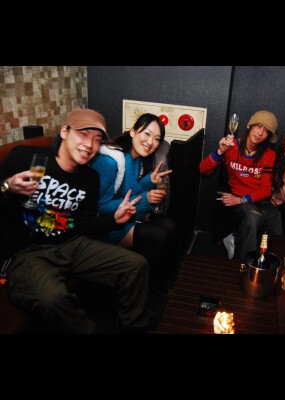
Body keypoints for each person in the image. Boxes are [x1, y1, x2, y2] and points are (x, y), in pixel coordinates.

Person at [0, 108, 153, 334]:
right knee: (53, 300)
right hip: (28, 252)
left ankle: (134, 327)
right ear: (64, 131)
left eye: (97, 139)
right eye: (83, 134)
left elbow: (85, 223)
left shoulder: (90, 178)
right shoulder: (26, 157)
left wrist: (114, 220)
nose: (89, 145)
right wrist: (7, 187)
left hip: (71, 243)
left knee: (136, 265)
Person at [90, 113, 178, 290]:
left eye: (156, 139)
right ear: (133, 132)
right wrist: (146, 199)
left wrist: (148, 181)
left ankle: (159, 284)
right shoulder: (110, 161)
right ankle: (139, 288)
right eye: (146, 134)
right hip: (103, 226)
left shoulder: (135, 158)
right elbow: (99, 206)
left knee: (169, 225)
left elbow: (128, 191)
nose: (150, 142)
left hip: (123, 218)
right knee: (158, 235)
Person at [199, 110, 283, 261]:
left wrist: (241, 200)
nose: (260, 133)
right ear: (250, 126)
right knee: (253, 217)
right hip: (239, 198)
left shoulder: (269, 155)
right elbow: (203, 169)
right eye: (258, 126)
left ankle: (272, 266)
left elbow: (265, 190)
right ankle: (243, 263)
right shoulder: (231, 147)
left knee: (275, 223)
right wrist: (220, 151)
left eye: (266, 131)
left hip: (257, 200)